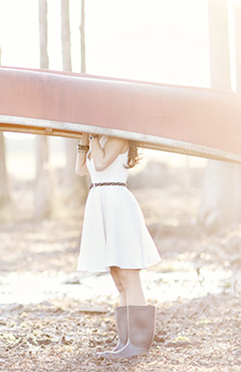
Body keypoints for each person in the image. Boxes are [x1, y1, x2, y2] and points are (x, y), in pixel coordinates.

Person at [74, 133, 161, 359]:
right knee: (118, 281)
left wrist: (92, 135)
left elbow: (102, 164)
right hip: (101, 202)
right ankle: (125, 341)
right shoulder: (98, 139)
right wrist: (84, 140)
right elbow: (81, 169)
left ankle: (139, 344)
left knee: (129, 277)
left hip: (117, 207)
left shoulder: (119, 137)